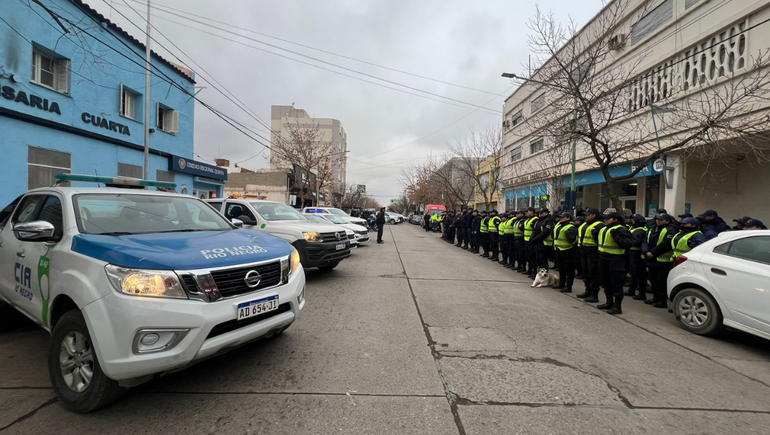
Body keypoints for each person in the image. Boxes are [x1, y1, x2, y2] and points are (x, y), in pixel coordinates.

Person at [597, 212, 633, 315]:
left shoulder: (621, 229)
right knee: (606, 282)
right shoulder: (604, 228)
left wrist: (616, 236)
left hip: (616, 260)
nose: (605, 220)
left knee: (616, 283)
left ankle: (617, 306)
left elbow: (628, 244)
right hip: (603, 258)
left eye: (608, 218)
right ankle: (609, 302)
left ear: (615, 220)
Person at [642, 214, 677, 308]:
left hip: (663, 261)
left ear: (667, 221)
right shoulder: (653, 228)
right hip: (651, 259)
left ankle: (662, 301)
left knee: (661, 282)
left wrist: (653, 252)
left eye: (661, 220)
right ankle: (655, 297)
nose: (658, 221)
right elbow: (645, 240)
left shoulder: (671, 229)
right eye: (657, 219)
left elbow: (666, 244)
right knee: (653, 280)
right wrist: (646, 251)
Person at [576, 208, 604, 303]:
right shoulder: (585, 224)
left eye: (588, 215)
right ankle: (587, 291)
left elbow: (599, 239)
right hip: (583, 250)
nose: (585, 216)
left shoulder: (599, 225)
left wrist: (595, 232)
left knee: (593, 273)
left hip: (593, 251)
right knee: (585, 272)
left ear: (594, 215)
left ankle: (594, 294)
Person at [553, 212, 577, 293]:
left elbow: (572, 239)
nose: (561, 218)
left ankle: (568, 286)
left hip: (567, 250)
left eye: (563, 217)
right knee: (561, 269)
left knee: (569, 270)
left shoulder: (571, 227)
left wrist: (568, 234)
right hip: (558, 249)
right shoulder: (559, 225)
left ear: (568, 218)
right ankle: (561, 284)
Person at [627, 215, 649, 301]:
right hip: (633, 253)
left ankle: (641, 293)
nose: (631, 221)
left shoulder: (639, 231)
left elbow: (636, 242)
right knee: (634, 273)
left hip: (636, 254)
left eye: (632, 220)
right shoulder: (637, 229)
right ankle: (631, 290)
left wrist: (626, 240)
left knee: (639, 274)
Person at [531, 208, 555, 274]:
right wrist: (532, 238)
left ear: (546, 213)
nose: (540, 214)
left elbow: (545, 233)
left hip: (545, 244)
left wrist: (535, 239)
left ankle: (545, 276)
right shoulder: (539, 220)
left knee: (543, 261)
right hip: (538, 244)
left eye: (541, 213)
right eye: (539, 213)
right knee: (538, 260)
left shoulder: (548, 221)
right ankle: (540, 275)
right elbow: (535, 230)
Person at [521, 208, 539, 278]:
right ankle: (530, 269)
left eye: (527, 212)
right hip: (526, 240)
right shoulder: (527, 219)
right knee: (528, 256)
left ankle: (534, 271)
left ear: (532, 212)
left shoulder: (535, 219)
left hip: (531, 241)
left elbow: (535, 230)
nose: (526, 213)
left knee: (533, 256)